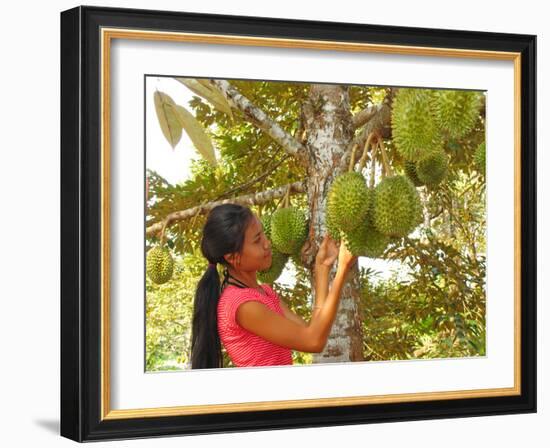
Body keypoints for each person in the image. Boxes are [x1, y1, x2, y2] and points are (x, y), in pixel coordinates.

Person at [190, 203, 358, 369]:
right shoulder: (242, 305)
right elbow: (313, 341)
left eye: (263, 234)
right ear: (233, 257)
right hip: (266, 394)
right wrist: (342, 270)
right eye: (257, 240)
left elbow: (311, 330)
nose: (267, 243)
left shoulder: (264, 292)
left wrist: (322, 268)